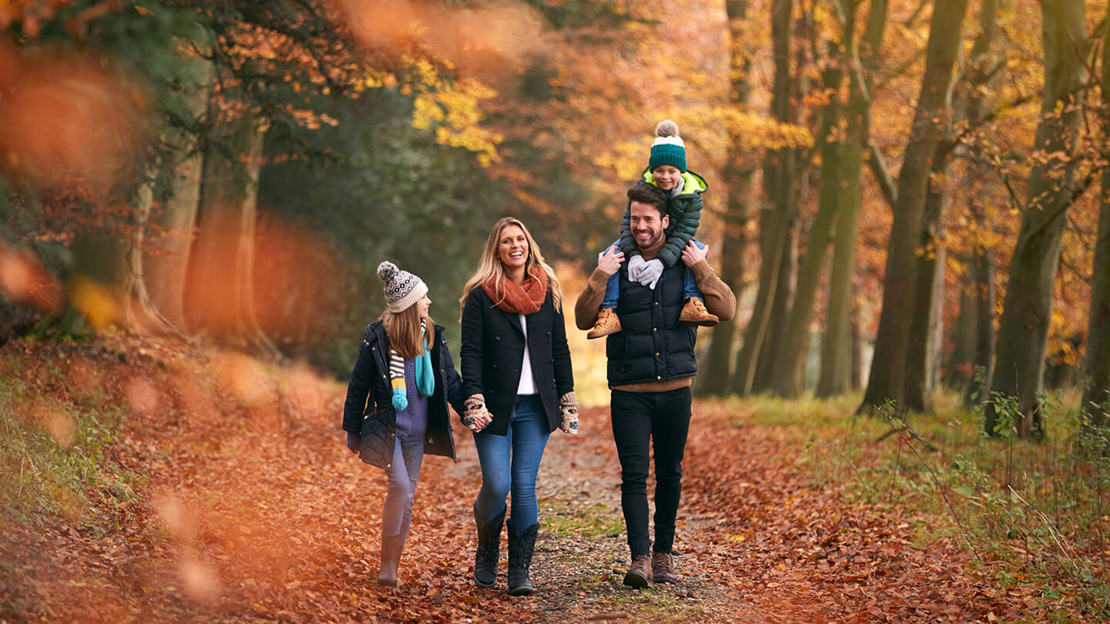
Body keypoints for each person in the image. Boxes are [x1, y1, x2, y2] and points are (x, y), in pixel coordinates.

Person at [574, 184, 736, 588]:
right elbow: (581, 319)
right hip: (629, 392)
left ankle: (663, 555)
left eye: (648, 218)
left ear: (665, 221)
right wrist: (600, 274)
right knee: (633, 476)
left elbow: (727, 310)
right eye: (635, 218)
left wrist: (701, 267)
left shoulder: (685, 261)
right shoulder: (616, 262)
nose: (641, 226)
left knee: (670, 474)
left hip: (676, 390)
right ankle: (640, 559)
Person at [459, 216, 577, 596]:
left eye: (520, 239)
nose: (515, 246)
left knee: (524, 486)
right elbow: (471, 351)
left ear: (529, 244)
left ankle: (520, 571)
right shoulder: (481, 295)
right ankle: (488, 548)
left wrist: (567, 395)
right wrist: (473, 395)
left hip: (536, 406)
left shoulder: (548, 290)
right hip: (494, 405)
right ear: (497, 249)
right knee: (497, 483)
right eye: (507, 240)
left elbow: (559, 348)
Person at [341, 261, 467, 588]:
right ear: (410, 305)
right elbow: (359, 385)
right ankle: (386, 564)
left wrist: (470, 410)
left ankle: (391, 567)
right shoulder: (379, 339)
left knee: (408, 496)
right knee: (399, 487)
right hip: (390, 429)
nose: (429, 302)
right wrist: (352, 429)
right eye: (424, 298)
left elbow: (450, 382)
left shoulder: (432, 339)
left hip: (418, 433)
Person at [588, 119, 718, 340]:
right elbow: (628, 224)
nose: (665, 176)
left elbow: (685, 230)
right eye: (659, 170)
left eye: (671, 171)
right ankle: (608, 310)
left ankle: (693, 301)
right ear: (652, 170)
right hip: (646, 238)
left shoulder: (691, 198)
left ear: (681, 172)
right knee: (612, 253)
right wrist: (635, 255)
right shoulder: (643, 189)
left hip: (676, 238)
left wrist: (662, 261)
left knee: (696, 252)